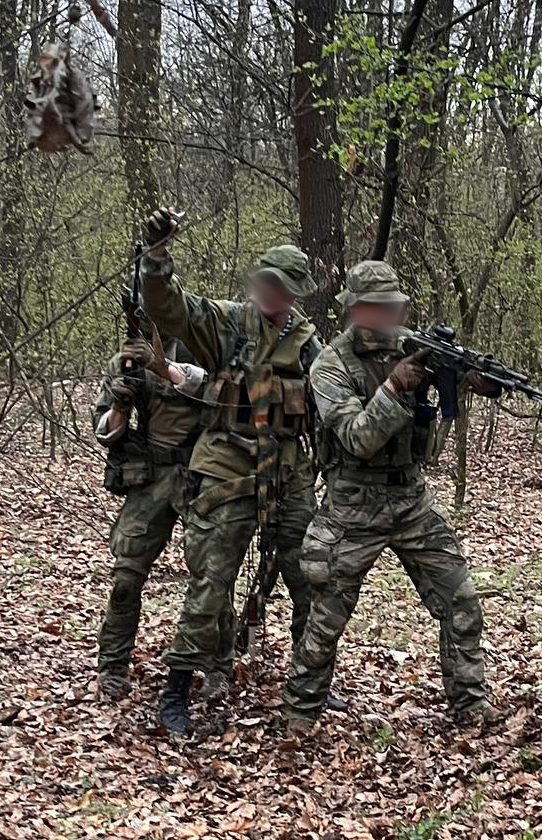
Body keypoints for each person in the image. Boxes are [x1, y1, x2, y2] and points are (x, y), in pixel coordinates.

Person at [283, 259, 488, 732]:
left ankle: (470, 704)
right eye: (374, 307)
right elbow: (358, 438)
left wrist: (474, 376)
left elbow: (465, 380)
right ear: (354, 309)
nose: (385, 315)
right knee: (326, 618)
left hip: (411, 500)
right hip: (352, 506)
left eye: (391, 306)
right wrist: (396, 385)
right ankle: (301, 710)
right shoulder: (330, 365)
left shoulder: (413, 345)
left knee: (460, 599)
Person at [137, 210, 320, 733]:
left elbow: (333, 400)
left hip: (287, 469)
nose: (271, 293)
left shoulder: (309, 343)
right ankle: (176, 690)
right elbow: (169, 308)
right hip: (225, 462)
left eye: (282, 287)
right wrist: (156, 257)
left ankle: (309, 682)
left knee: (311, 577)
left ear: (295, 293)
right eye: (266, 282)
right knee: (211, 580)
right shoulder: (227, 322)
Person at [93, 326, 206, 700]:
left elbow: (219, 394)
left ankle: (216, 665)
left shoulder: (205, 343)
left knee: (212, 574)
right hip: (151, 476)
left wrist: (164, 368)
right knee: (126, 575)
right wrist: (120, 404)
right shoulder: (126, 362)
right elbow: (104, 431)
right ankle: (112, 665)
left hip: (201, 474)